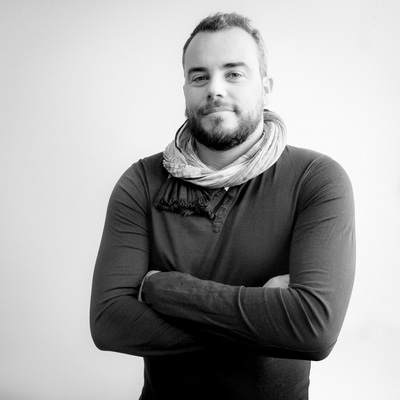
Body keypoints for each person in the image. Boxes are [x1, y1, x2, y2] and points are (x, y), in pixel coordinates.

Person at [90, 12, 356, 400]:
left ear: (265, 87)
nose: (215, 89)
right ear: (185, 90)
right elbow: (109, 323)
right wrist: (269, 319)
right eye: (200, 77)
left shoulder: (316, 179)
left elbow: (314, 330)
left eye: (234, 73)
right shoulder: (142, 182)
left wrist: (162, 288)